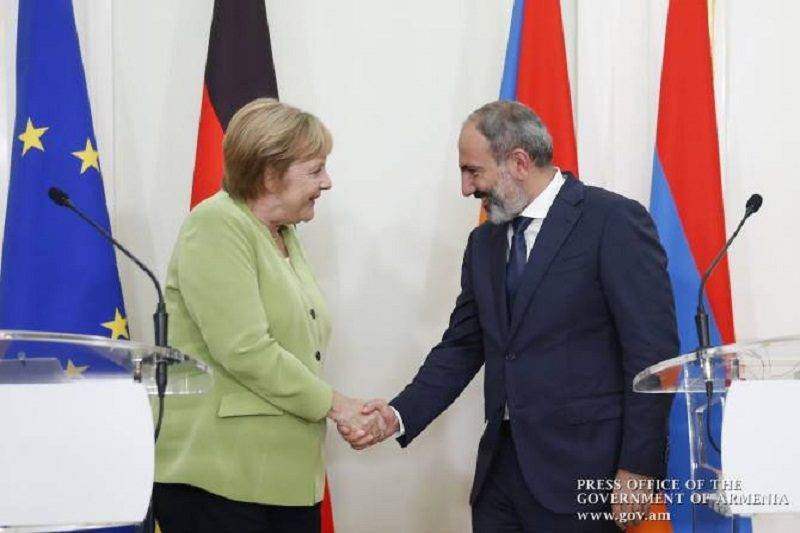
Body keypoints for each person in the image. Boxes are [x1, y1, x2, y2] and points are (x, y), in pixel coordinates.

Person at [340, 100, 679, 532]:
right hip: (500, 477)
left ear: (519, 162)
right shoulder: (483, 243)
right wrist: (396, 415)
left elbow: (653, 354)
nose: (466, 188)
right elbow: (462, 347)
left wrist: (640, 467)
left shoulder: (611, 221)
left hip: (587, 473)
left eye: (472, 171)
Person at [154, 98, 383, 533]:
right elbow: (245, 349)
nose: (327, 182)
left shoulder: (283, 233)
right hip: (220, 478)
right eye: (315, 170)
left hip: (283, 479)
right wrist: (337, 405)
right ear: (270, 175)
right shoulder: (216, 224)